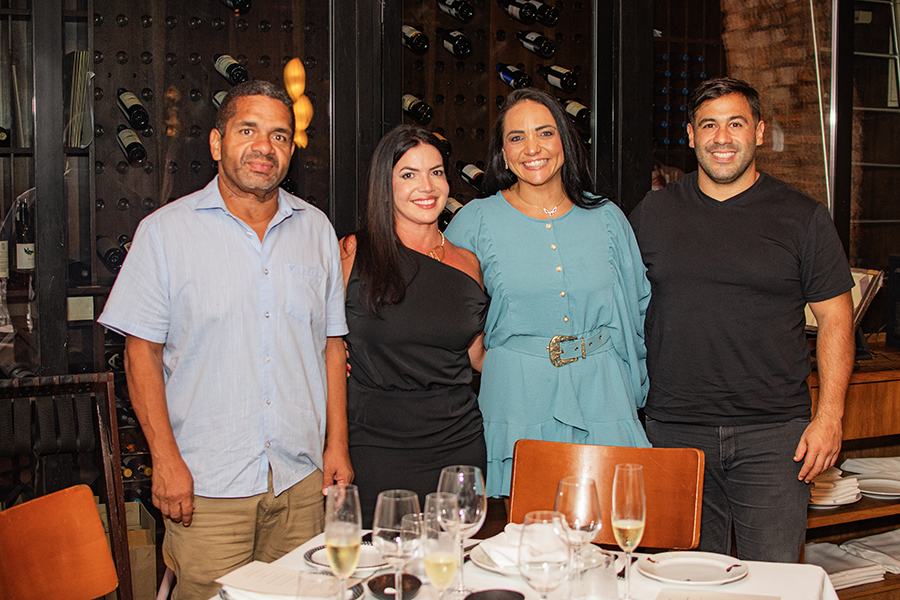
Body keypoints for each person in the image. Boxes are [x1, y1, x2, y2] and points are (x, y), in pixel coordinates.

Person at [98, 80, 352, 600]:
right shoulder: (164, 233)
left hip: (300, 483)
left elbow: (331, 345)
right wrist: (164, 462)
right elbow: (139, 353)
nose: (264, 147)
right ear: (217, 143)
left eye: (279, 136)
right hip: (206, 487)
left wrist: (338, 446)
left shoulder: (317, 229)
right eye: (248, 130)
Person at [629, 77, 854, 562]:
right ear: (690, 135)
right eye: (708, 125)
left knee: (772, 584)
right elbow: (615, 307)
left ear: (759, 131)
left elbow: (837, 319)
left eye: (735, 123)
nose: (722, 137)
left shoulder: (803, 216)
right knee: (679, 584)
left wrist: (830, 417)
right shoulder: (653, 213)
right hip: (674, 433)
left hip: (775, 438)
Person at [445, 88, 651, 498]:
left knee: (608, 539)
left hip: (603, 393)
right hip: (516, 395)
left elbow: (637, 310)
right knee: (519, 544)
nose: (532, 148)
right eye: (516, 137)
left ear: (564, 143)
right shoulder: (475, 221)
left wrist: (634, 391)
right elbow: (441, 306)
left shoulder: (608, 218)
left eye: (545, 133)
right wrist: (486, 358)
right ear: (503, 153)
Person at [341, 125, 488, 526]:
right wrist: (333, 444)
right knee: (381, 573)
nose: (426, 186)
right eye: (408, 174)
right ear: (384, 185)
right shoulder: (354, 254)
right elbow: (328, 351)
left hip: (458, 443)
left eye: (436, 172)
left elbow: (477, 358)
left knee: (452, 570)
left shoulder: (467, 263)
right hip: (374, 445)